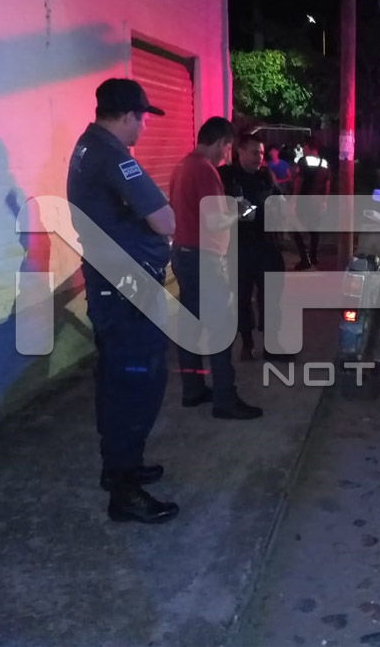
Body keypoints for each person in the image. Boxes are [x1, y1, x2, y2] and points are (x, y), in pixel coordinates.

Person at [66, 78, 178, 524]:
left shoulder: (86, 146)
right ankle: (124, 491)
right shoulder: (114, 157)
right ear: (129, 116)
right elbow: (165, 219)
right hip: (126, 290)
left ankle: (120, 467)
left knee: (117, 379)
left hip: (111, 284)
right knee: (137, 383)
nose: (145, 127)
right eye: (143, 118)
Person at [168, 118, 263, 420]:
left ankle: (193, 389)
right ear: (221, 142)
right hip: (204, 258)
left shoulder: (182, 166)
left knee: (191, 326)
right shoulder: (205, 170)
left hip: (183, 254)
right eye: (227, 147)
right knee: (221, 328)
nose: (226, 155)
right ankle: (225, 398)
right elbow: (214, 221)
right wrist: (238, 212)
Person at [219, 133, 295, 361]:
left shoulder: (265, 175)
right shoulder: (226, 176)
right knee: (242, 296)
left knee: (271, 295)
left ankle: (272, 344)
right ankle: (247, 343)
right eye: (254, 152)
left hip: (267, 245)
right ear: (240, 152)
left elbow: (279, 197)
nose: (259, 157)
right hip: (239, 246)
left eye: (261, 153)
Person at [291, 137, 331, 270]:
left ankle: (305, 259)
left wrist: (293, 199)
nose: (303, 150)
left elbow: (299, 181)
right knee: (315, 229)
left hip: (304, 200)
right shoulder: (324, 162)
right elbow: (327, 183)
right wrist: (325, 201)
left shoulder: (303, 161)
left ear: (308, 147)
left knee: (295, 228)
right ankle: (313, 256)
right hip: (318, 201)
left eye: (304, 147)